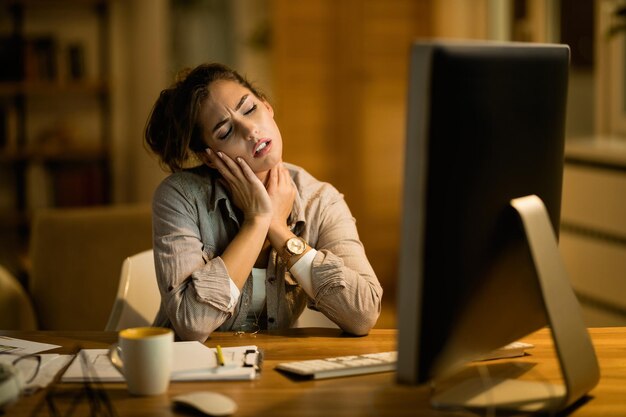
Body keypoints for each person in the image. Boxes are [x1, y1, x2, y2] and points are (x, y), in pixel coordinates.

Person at [144, 63, 382, 341]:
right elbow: (192, 324)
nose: (249, 130)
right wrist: (256, 222)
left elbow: (363, 314)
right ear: (209, 156)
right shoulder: (180, 197)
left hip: (273, 370)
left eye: (249, 109)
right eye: (225, 132)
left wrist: (279, 230)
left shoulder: (320, 200)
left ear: (267, 107)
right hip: (187, 372)